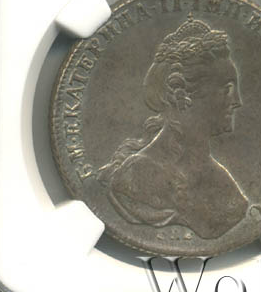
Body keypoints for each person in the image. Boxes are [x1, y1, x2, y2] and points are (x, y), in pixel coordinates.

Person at [97, 14, 248, 239]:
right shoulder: (137, 177)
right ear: (181, 94)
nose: (236, 101)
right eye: (226, 89)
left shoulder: (223, 181)